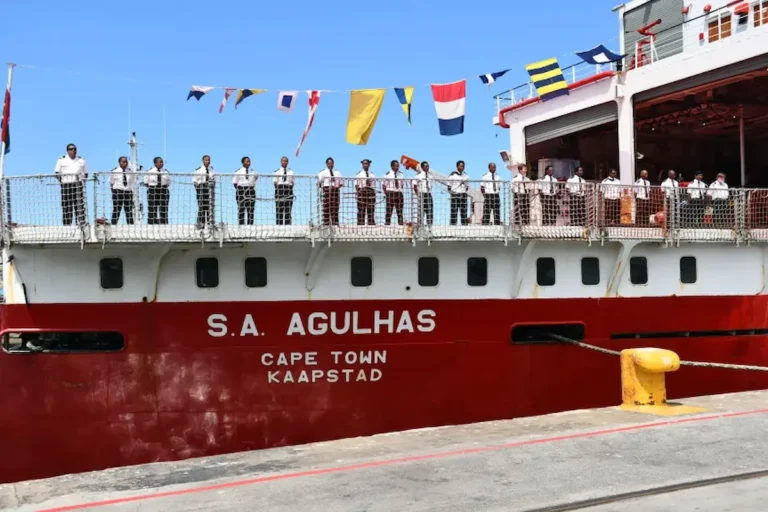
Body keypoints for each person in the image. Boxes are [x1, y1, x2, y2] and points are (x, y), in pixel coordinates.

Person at [54, 143, 87, 226]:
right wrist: (62, 182)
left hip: (78, 185)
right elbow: (57, 172)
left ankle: (80, 224)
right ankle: (67, 225)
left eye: (75, 149)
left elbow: (86, 173)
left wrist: (82, 181)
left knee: (79, 205)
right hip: (66, 185)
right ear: (67, 151)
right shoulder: (61, 160)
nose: (73, 150)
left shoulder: (81, 160)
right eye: (71, 149)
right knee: (66, 206)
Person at [144, 156, 171, 224]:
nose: (162, 163)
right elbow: (146, 182)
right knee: (152, 208)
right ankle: (151, 223)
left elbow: (169, 182)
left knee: (164, 208)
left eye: (162, 162)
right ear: (155, 163)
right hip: (153, 190)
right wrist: (153, 188)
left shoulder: (166, 172)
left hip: (163, 190)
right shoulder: (150, 171)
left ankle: (164, 224)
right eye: (160, 162)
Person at [109, 156, 135, 225]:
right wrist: (114, 192)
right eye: (123, 162)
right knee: (117, 209)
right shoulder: (114, 171)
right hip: (118, 191)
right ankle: (114, 224)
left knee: (129, 210)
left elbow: (132, 182)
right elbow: (111, 182)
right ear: (119, 162)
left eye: (126, 162)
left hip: (128, 192)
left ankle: (130, 225)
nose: (125, 163)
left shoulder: (130, 172)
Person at [193, 155, 217, 228]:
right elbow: (194, 181)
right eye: (206, 160)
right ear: (203, 161)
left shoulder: (212, 170)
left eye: (209, 160)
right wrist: (198, 189)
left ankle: (210, 223)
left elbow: (215, 180)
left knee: (210, 206)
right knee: (201, 206)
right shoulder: (198, 170)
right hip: (201, 188)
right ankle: (201, 223)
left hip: (210, 188)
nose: (208, 161)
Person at [317, 157, 342, 226]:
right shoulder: (322, 173)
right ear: (326, 164)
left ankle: (335, 224)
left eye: (331, 163)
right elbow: (318, 183)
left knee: (335, 208)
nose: (330, 165)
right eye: (329, 163)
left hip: (335, 192)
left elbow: (341, 183)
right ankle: (326, 224)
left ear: (333, 164)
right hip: (327, 191)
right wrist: (325, 189)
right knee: (326, 208)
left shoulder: (337, 173)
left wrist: (336, 187)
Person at [232, 156, 256, 225]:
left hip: (251, 190)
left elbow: (255, 180)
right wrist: (240, 190)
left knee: (250, 209)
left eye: (249, 161)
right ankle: (241, 225)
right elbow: (235, 183)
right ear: (243, 163)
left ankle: (250, 225)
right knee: (241, 209)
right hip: (241, 190)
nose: (249, 163)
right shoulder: (238, 172)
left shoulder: (253, 172)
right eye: (247, 161)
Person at [273, 156, 295, 225]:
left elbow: (292, 183)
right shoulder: (277, 172)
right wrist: (279, 190)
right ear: (281, 162)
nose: (285, 162)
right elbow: (275, 183)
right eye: (283, 161)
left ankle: (288, 225)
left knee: (288, 209)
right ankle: (279, 225)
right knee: (279, 209)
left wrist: (288, 189)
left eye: (286, 161)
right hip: (280, 189)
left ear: (288, 162)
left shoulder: (291, 172)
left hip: (288, 189)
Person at [383, 160, 405, 225]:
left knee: (400, 211)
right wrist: (387, 194)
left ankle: (400, 224)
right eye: (396, 166)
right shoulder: (387, 174)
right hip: (390, 193)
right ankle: (387, 224)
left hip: (399, 193)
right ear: (392, 166)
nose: (397, 167)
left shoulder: (401, 174)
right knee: (389, 211)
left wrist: (400, 191)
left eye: (398, 166)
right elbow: (384, 185)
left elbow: (402, 184)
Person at [355, 159, 376, 225]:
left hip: (370, 192)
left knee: (371, 209)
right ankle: (360, 224)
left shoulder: (372, 174)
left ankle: (371, 224)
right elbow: (356, 185)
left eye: (367, 164)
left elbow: (373, 185)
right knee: (361, 210)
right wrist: (358, 193)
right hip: (362, 192)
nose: (365, 165)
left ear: (369, 165)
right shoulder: (359, 174)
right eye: (364, 164)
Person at [448, 160, 469, 225]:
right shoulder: (453, 175)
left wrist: (463, 191)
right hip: (455, 194)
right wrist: (452, 193)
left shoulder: (465, 175)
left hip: (463, 194)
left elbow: (467, 186)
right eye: (461, 166)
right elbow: (449, 186)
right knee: (454, 211)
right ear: (457, 166)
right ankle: (453, 226)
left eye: (463, 166)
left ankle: (464, 225)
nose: (462, 167)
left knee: (464, 212)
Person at [414, 161, 433, 226]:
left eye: (428, 166)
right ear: (422, 167)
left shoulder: (430, 176)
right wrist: (418, 194)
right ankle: (420, 225)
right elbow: (415, 185)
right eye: (426, 166)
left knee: (430, 210)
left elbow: (431, 185)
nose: (427, 167)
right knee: (421, 211)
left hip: (428, 194)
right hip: (422, 193)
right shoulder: (418, 176)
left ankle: (429, 225)